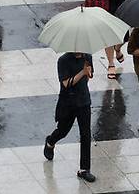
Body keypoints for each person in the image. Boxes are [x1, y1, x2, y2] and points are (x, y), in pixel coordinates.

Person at [44, 52, 96, 183]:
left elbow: (89, 77)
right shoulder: (63, 60)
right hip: (68, 102)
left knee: (86, 134)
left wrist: (88, 73)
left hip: (84, 101)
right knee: (63, 130)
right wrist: (82, 72)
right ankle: (50, 142)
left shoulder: (87, 57)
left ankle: (85, 169)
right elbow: (66, 83)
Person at [94, 0, 138, 78]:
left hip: (123, 1)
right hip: (107, 1)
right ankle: (111, 64)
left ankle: (118, 49)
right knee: (108, 34)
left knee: (124, 34)